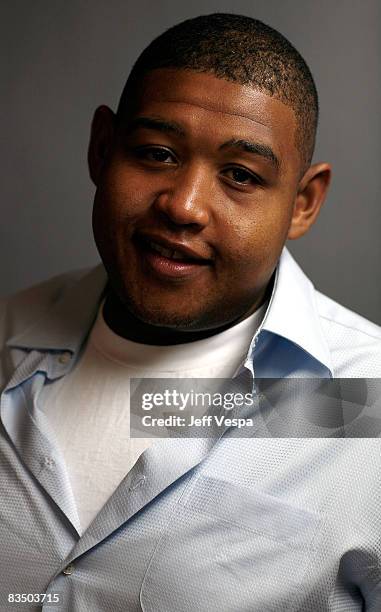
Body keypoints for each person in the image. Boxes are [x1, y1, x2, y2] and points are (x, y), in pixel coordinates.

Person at [1, 12, 381, 612]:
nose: (183, 206)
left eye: (240, 175)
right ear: (102, 150)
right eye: (156, 153)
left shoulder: (372, 400)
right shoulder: (7, 334)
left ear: (303, 203)